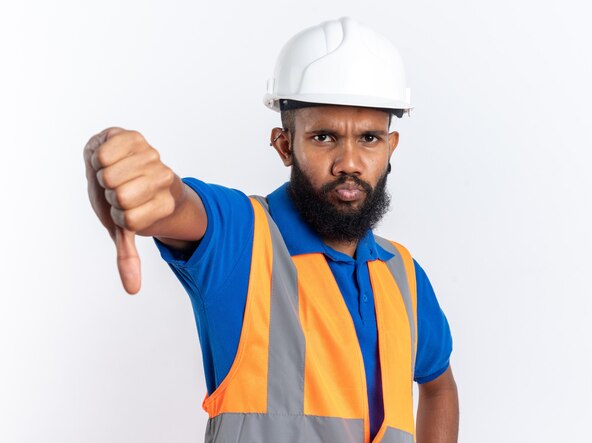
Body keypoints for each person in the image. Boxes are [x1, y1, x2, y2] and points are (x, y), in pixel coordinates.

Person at [84, 17, 459, 443]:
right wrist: (136, 179)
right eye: (323, 137)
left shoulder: (403, 273)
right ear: (285, 145)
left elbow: (438, 384)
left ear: (390, 148)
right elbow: (180, 206)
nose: (350, 162)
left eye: (370, 138)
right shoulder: (244, 237)